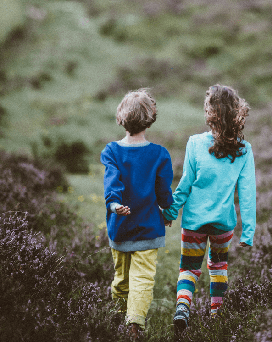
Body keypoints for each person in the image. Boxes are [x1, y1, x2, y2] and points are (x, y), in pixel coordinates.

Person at [162, 84, 256, 339]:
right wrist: (248, 231)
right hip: (223, 225)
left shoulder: (194, 143)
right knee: (218, 266)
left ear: (209, 113)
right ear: (235, 113)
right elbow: (247, 194)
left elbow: (184, 184)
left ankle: (183, 307)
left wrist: (170, 213)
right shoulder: (244, 150)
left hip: (193, 222)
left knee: (189, 268)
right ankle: (217, 316)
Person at [100, 88, 174, 341]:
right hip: (149, 227)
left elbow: (112, 184)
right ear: (150, 117)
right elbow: (164, 192)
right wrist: (167, 211)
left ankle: (122, 318)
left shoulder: (111, 151)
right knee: (142, 278)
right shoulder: (160, 154)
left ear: (121, 118)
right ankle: (135, 324)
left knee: (121, 278)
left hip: (119, 227)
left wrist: (114, 206)